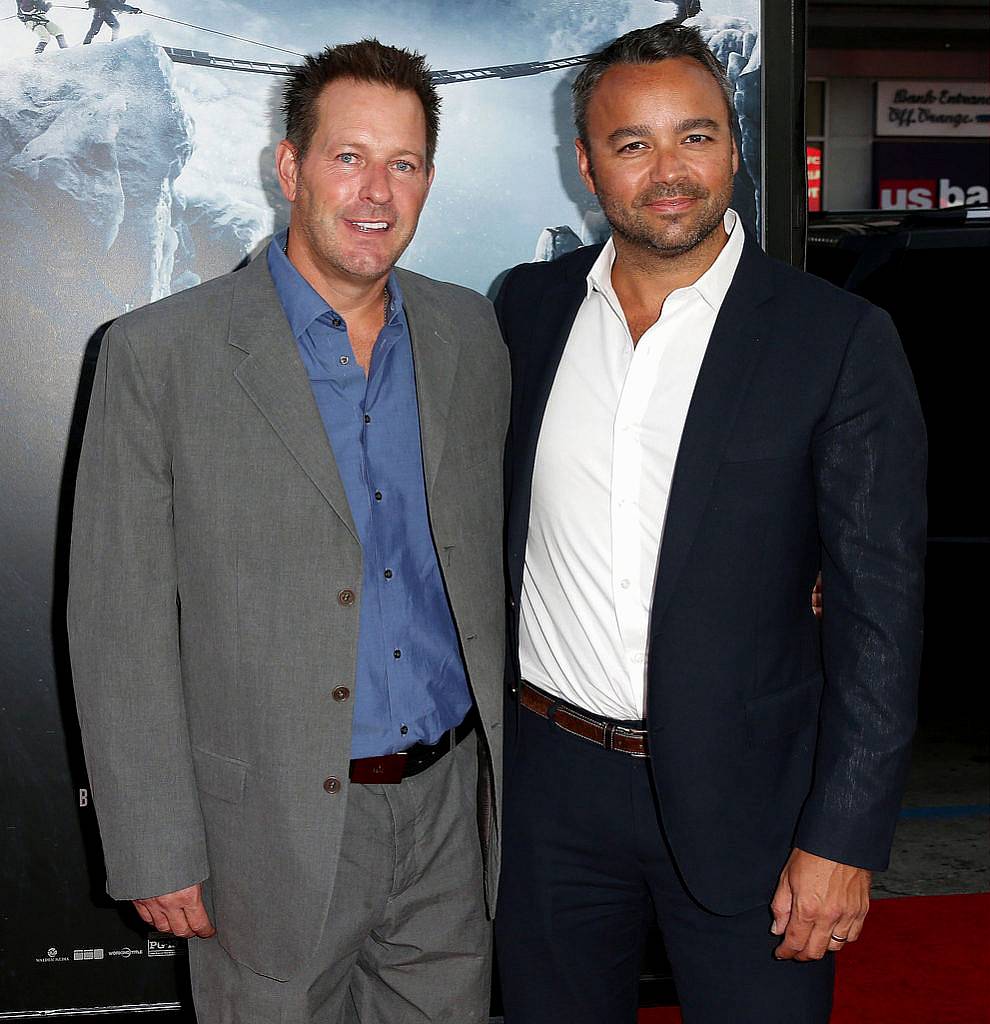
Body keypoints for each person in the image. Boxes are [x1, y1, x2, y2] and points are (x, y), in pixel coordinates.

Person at [68, 39, 508, 1024]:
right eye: (348, 157)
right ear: (289, 167)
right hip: (263, 825)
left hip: (446, 818)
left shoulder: (468, 335)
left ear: (429, 178)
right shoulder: (158, 356)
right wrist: (152, 842)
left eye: (403, 163)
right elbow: (116, 624)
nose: (376, 192)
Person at [494, 22, 925, 1024]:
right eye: (632, 143)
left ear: (734, 146)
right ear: (586, 165)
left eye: (694, 136)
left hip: (758, 804)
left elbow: (882, 615)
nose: (669, 171)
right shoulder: (527, 312)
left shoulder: (836, 339)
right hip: (549, 790)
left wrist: (846, 835)